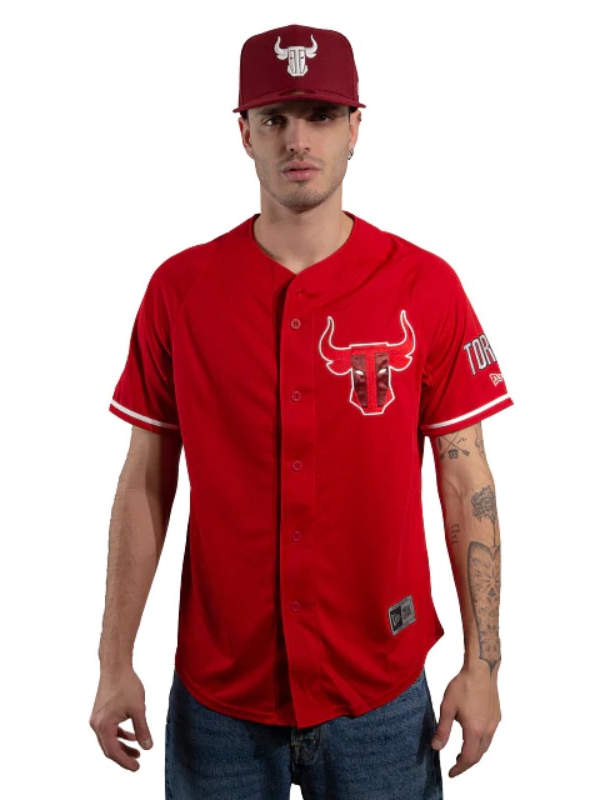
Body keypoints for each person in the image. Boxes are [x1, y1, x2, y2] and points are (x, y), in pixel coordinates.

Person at [89, 22, 512, 800]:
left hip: (380, 694)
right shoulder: (180, 291)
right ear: (243, 133)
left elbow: (466, 482)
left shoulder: (426, 287)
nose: (297, 139)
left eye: (320, 114)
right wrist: (114, 661)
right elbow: (145, 481)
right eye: (275, 117)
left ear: (355, 128)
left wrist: (482, 665)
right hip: (221, 699)